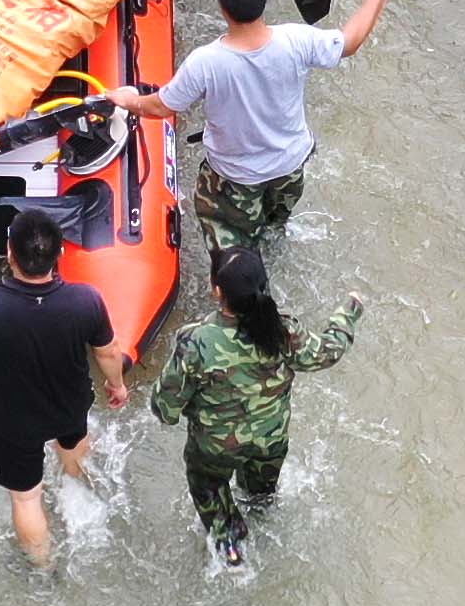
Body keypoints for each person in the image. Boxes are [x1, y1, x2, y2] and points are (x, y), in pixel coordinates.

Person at [116, 0, 393, 253]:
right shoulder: (296, 40)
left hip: (235, 178)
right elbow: (349, 42)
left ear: (223, 8)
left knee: (236, 248)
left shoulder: (205, 63)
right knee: (274, 229)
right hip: (289, 169)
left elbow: (161, 106)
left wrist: (130, 100)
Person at [143, 243, 361, 571]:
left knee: (210, 489)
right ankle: (262, 520)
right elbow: (326, 352)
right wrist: (349, 312)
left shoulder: (197, 341)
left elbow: (165, 408)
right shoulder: (284, 330)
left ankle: (231, 552)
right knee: (260, 497)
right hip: (271, 439)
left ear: (217, 291)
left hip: (215, 449)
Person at [0, 205, 125, 566]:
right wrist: (117, 386)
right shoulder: (85, 300)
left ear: (9, 253)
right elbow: (108, 352)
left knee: (27, 499)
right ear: (60, 253)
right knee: (73, 445)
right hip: (70, 405)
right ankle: (74, 485)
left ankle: (45, 569)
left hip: (13, 420)